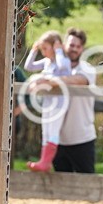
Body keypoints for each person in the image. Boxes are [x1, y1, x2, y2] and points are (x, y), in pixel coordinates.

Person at [21, 30, 71, 172]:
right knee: (46, 130)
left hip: (60, 101)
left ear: (55, 46)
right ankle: (44, 161)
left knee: (53, 130)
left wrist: (58, 50)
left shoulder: (63, 61)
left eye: (45, 48)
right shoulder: (47, 62)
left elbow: (61, 66)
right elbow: (29, 66)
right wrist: (34, 50)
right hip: (49, 101)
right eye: (41, 49)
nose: (43, 52)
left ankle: (45, 162)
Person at [50, 28, 96, 173]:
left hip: (82, 139)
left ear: (82, 49)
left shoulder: (88, 70)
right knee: (61, 187)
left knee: (87, 185)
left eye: (78, 46)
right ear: (64, 45)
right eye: (71, 45)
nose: (74, 49)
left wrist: (53, 80)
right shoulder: (54, 68)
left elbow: (78, 80)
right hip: (58, 139)